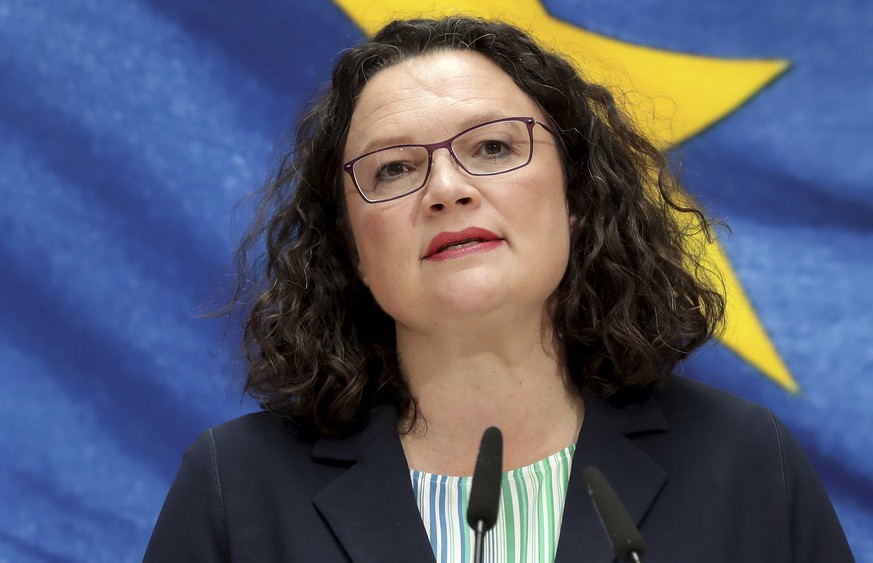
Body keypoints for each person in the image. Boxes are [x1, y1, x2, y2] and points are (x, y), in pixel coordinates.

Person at [144, 16, 854, 562]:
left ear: (576, 197)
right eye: (393, 169)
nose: (446, 190)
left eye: (492, 147)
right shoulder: (236, 486)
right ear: (350, 247)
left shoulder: (743, 463)